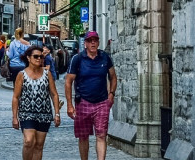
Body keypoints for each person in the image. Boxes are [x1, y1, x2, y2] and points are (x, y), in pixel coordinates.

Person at [64, 31, 117, 160]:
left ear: (98, 42)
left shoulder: (104, 57)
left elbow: (113, 77)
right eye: (90, 40)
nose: (93, 43)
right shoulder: (78, 59)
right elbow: (68, 81)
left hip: (102, 102)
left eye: (95, 40)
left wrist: (111, 94)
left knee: (101, 135)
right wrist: (70, 105)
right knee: (83, 136)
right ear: (85, 43)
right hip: (83, 101)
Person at [13, 44, 62, 160]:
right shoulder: (22, 75)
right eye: (36, 56)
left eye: (41, 57)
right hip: (26, 113)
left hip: (44, 114)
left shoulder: (47, 73)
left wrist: (57, 114)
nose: (39, 59)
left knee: (39, 145)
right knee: (28, 141)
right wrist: (14, 117)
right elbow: (16, 97)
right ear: (28, 58)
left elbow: (54, 94)